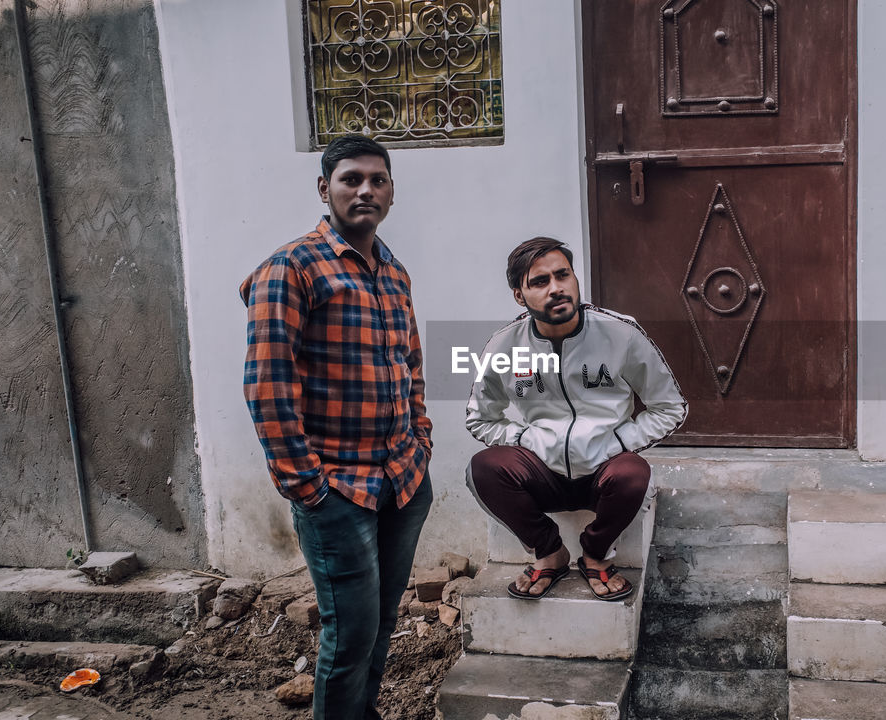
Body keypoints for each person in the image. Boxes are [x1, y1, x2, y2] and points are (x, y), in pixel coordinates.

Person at [241, 134, 432, 720]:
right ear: (325, 189)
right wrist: (308, 487)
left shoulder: (392, 272)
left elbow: (411, 365)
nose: (366, 190)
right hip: (337, 492)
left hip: (401, 480)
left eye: (378, 179)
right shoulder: (290, 269)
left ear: (392, 192)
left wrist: (420, 442)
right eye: (351, 179)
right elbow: (268, 386)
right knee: (348, 637)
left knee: (380, 625)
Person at [465, 237, 687, 600]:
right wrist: (524, 440)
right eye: (539, 282)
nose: (556, 288)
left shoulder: (620, 333)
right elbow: (480, 418)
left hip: (602, 471)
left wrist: (617, 443)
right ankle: (549, 552)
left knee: (634, 474)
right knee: (483, 468)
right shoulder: (504, 346)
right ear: (519, 295)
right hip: (542, 472)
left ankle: (596, 555)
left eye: (562, 275)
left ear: (574, 279)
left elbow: (670, 407)